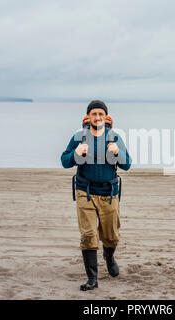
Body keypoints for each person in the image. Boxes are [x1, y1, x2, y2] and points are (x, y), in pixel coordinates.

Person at [61, 100, 131, 291]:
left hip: (109, 194)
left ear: (105, 116)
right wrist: (75, 154)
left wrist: (118, 153)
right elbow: (65, 161)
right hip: (85, 192)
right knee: (89, 234)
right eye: (94, 114)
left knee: (111, 236)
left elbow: (127, 164)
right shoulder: (78, 137)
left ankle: (109, 257)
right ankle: (92, 278)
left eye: (101, 114)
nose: (97, 117)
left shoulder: (114, 138)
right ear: (88, 116)